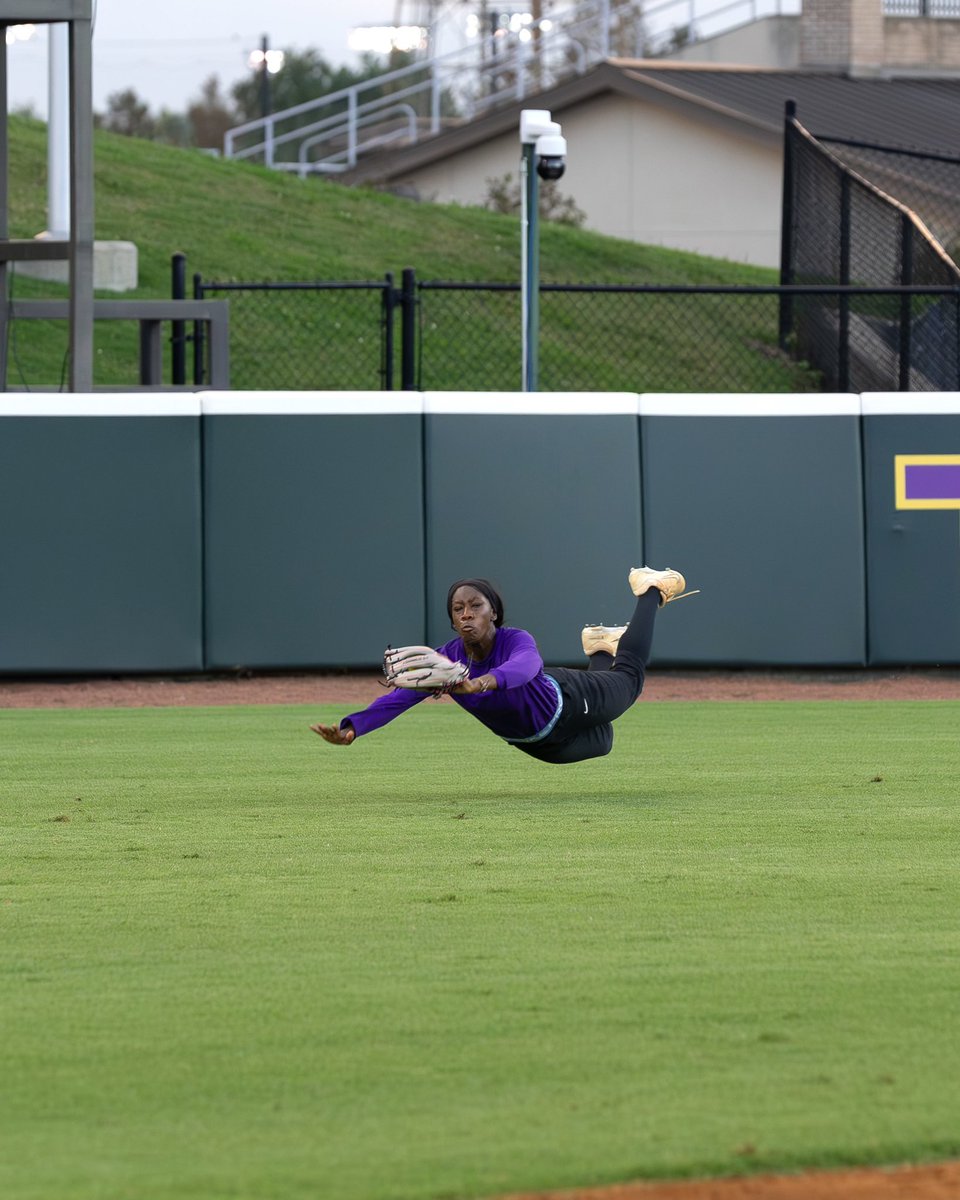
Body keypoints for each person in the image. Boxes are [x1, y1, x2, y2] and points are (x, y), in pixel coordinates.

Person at [311, 566, 694, 765]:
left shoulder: (515, 640)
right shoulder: (448, 661)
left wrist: (480, 684)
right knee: (604, 741)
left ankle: (650, 588)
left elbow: (527, 668)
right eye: (458, 609)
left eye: (475, 606)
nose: (466, 615)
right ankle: (598, 646)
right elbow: (399, 698)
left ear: (493, 611)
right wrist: (352, 727)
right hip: (539, 745)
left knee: (627, 681)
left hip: (569, 700)